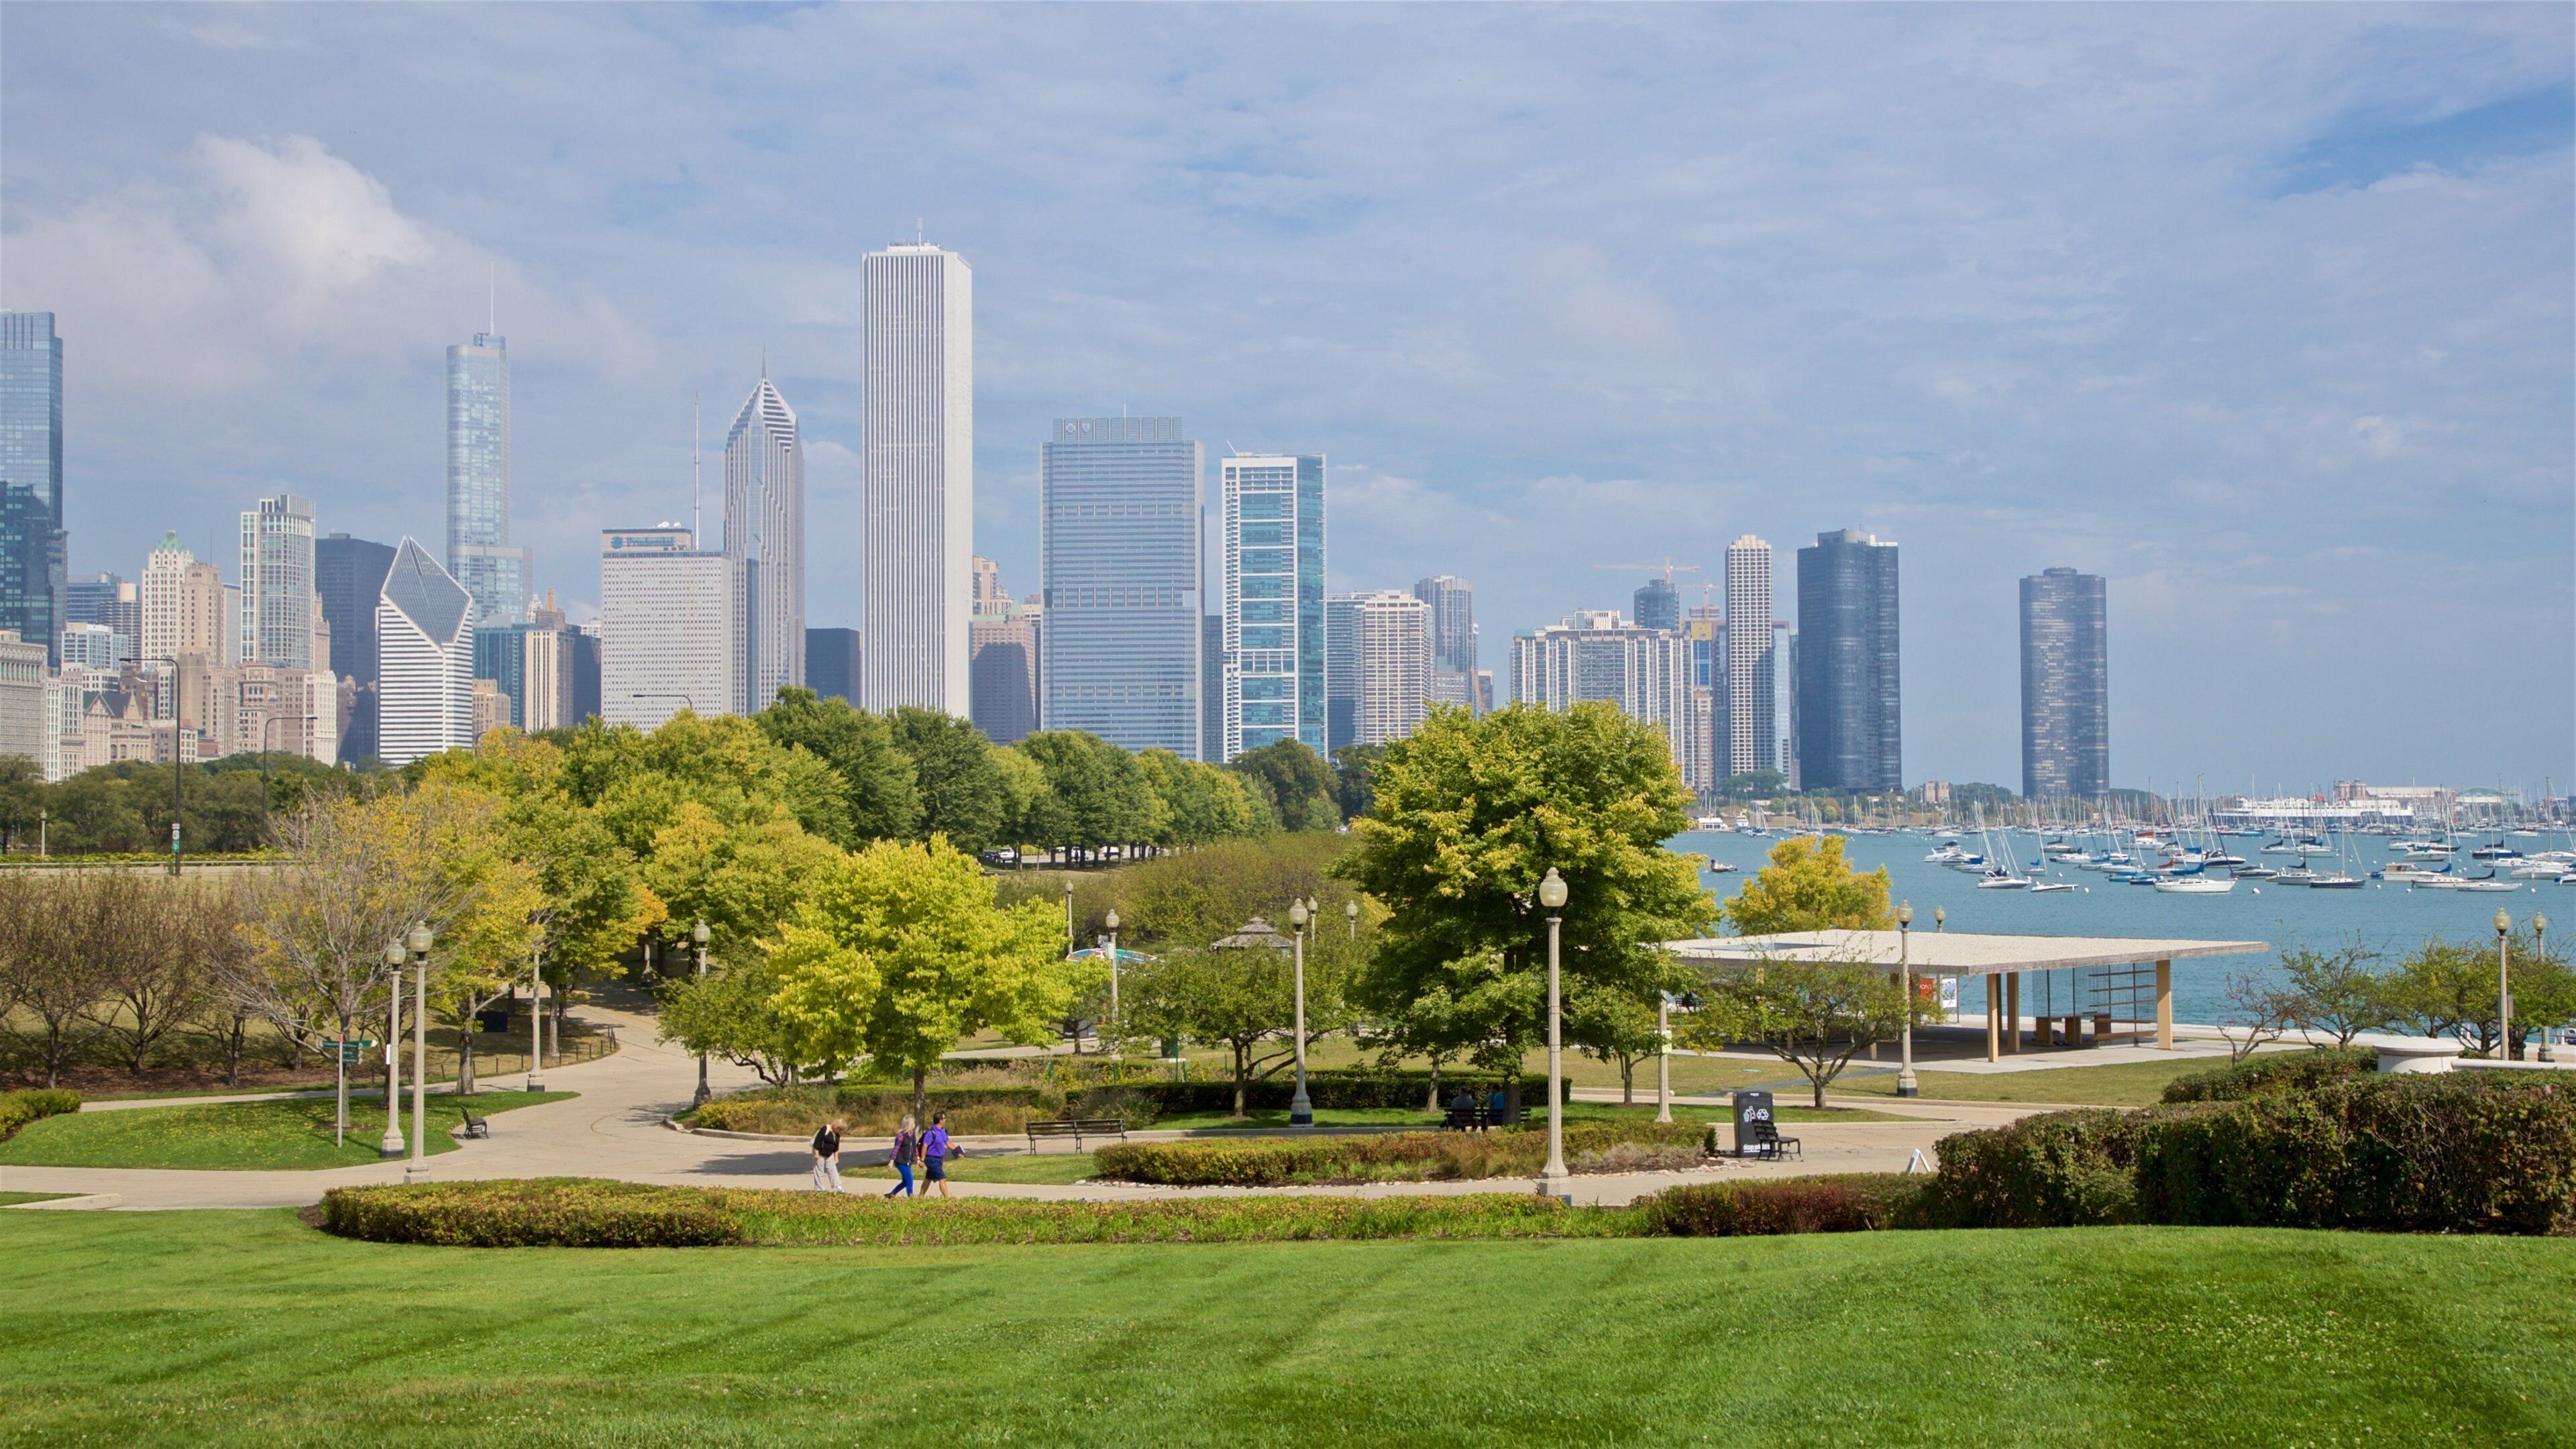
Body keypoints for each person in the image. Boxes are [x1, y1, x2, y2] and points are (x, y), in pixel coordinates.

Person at [921, 1110, 955, 1198]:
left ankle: (920, 1197)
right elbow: (925, 1146)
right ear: (940, 1120)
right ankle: (948, 1198)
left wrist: (958, 1151)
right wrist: (922, 1160)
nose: (945, 1120)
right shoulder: (931, 1132)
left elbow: (948, 1143)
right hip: (932, 1159)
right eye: (944, 1118)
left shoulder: (943, 1131)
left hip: (939, 1159)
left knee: (928, 1179)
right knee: (942, 1179)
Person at [884, 1114, 918, 1198]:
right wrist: (891, 1162)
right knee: (910, 1180)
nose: (915, 1124)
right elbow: (896, 1149)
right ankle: (911, 1197)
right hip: (900, 1162)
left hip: (908, 1162)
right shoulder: (901, 1135)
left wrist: (918, 1158)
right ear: (909, 1124)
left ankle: (891, 1194)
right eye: (913, 1123)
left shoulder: (912, 1135)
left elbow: (915, 1147)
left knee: (905, 1182)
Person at [810, 1118, 846, 1193]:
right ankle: (820, 1190)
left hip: (829, 1153)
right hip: (819, 1152)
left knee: (832, 1169)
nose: (839, 1131)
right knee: (819, 1171)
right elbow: (817, 1141)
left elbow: (836, 1144)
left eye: (841, 1130)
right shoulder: (825, 1129)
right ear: (836, 1126)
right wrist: (816, 1153)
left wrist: (836, 1155)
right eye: (839, 1129)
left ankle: (838, 1187)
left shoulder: (838, 1133)